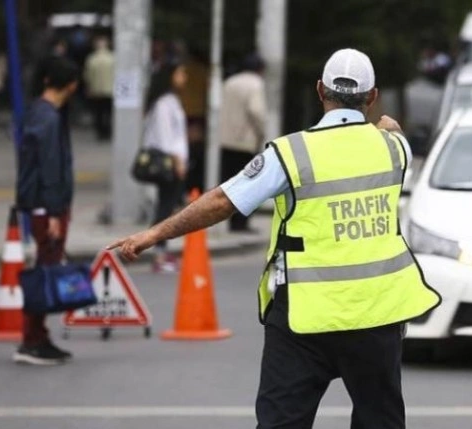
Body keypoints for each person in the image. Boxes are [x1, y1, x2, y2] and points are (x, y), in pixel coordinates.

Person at [108, 48, 441, 428]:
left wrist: (153, 234)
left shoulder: (291, 153)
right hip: (377, 315)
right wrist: (387, 128)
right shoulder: (395, 149)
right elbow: (391, 134)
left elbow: (222, 201)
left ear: (320, 90)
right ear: (372, 96)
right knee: (380, 421)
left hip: (304, 318)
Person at [14, 57, 79, 365]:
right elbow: (50, 167)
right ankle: (32, 340)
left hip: (41, 204)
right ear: (72, 85)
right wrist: (54, 212)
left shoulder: (38, 112)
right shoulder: (49, 118)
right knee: (45, 271)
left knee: (45, 267)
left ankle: (37, 336)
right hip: (46, 207)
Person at [142, 59, 189, 273]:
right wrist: (177, 161)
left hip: (175, 161)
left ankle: (162, 250)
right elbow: (165, 137)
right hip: (168, 163)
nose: (184, 78)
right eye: (180, 73)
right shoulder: (163, 103)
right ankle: (158, 252)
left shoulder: (172, 100)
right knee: (165, 207)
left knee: (168, 206)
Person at [218, 54, 266, 232]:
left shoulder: (229, 82)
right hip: (245, 141)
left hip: (226, 139)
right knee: (248, 183)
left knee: (230, 183)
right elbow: (256, 110)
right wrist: (261, 131)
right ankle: (241, 223)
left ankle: (231, 221)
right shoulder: (255, 84)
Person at [84, 37, 114, 141]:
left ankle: (100, 132)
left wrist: (89, 88)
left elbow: (88, 76)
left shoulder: (92, 59)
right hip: (110, 90)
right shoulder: (113, 58)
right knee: (109, 112)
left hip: (96, 90)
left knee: (98, 113)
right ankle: (108, 131)